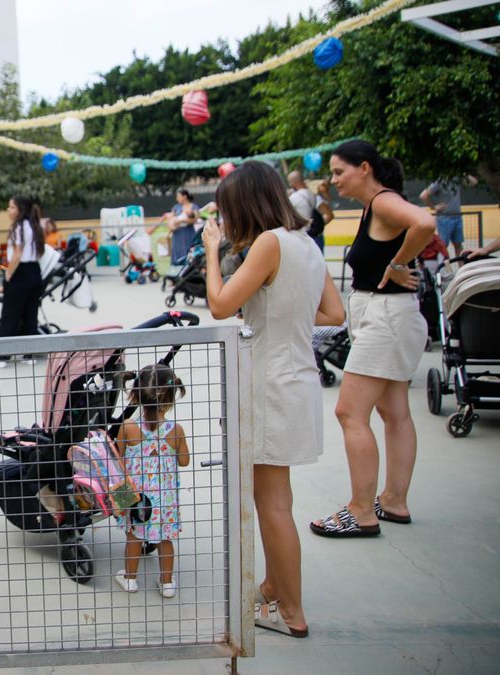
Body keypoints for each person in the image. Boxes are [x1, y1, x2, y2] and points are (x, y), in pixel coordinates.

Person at [203, 160, 345, 639]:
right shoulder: (304, 243)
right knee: (277, 498)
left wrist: (210, 251)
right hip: (298, 379)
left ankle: (291, 611)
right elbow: (334, 311)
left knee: (273, 505)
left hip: (268, 384)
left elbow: (221, 304)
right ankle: (271, 585)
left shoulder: (268, 243)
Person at [310, 141, 434, 541]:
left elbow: (425, 224)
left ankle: (361, 511)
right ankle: (393, 501)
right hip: (385, 317)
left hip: (387, 318)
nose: (334, 180)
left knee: (350, 413)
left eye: (339, 171)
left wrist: (397, 263)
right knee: (394, 411)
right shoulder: (374, 206)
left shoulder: (383, 202)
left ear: (364, 168)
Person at [113, 364, 189, 599]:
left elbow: (118, 457)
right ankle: (167, 583)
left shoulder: (127, 427)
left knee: (133, 537)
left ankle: (130, 579)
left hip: (136, 498)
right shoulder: (175, 430)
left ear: (135, 395)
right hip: (165, 499)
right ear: (170, 396)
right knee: (165, 539)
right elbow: (184, 461)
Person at [0, 197, 45, 368]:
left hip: (20, 272)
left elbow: (18, 253)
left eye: (11, 207)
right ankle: (28, 354)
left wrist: (9, 274)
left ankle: (1, 357)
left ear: (20, 210)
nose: (8, 210)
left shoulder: (18, 227)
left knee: (9, 315)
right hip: (34, 271)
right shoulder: (34, 225)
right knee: (30, 315)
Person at [420, 179, 464, 258]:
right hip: (445, 218)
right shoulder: (440, 182)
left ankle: (462, 268)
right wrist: (433, 207)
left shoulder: (457, 179)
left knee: (458, 244)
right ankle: (443, 268)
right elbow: (423, 195)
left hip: (457, 216)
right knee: (443, 246)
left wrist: (464, 173)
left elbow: (473, 182)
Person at [287, 171, 323, 251]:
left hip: (302, 236)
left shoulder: (294, 197)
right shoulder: (312, 194)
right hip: (315, 234)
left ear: (293, 183)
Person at [162, 189, 198, 264]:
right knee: (177, 253)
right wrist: (172, 225)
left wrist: (181, 221)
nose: (177, 198)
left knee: (189, 251)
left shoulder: (193, 206)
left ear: (184, 196)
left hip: (188, 234)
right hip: (177, 235)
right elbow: (171, 219)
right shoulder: (176, 207)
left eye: (178, 196)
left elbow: (195, 219)